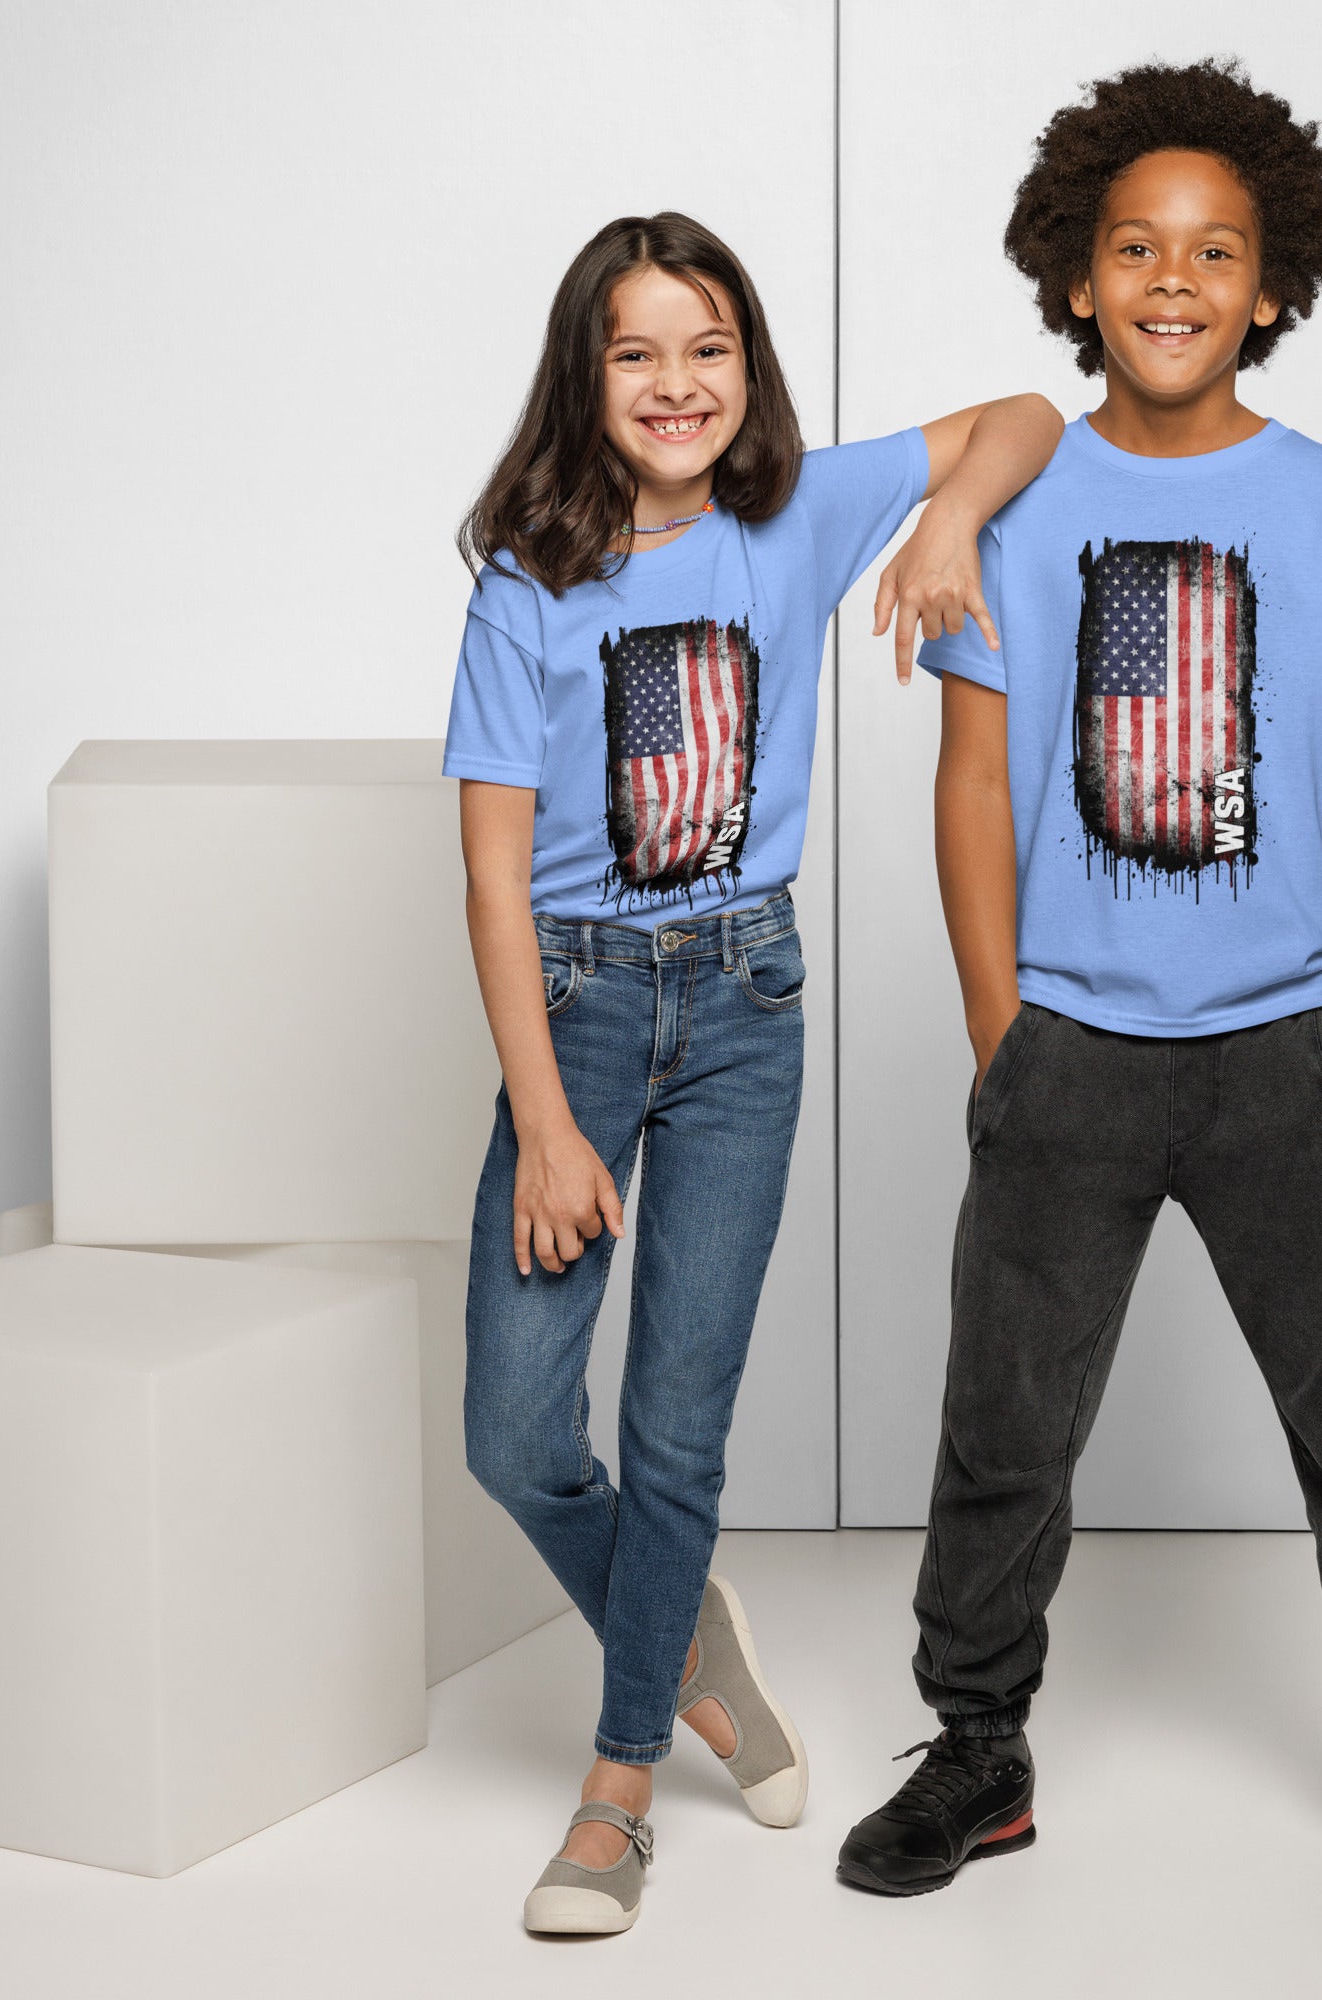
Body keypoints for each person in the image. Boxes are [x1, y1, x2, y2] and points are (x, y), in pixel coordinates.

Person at [836, 62, 1322, 1926]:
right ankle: (978, 1747)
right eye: (1136, 249)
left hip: (1282, 1046)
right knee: (1005, 1423)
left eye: (1217, 251)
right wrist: (1001, 1025)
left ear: (1273, 285)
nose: (1175, 278)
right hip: (1073, 1052)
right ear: (1076, 279)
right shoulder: (1015, 500)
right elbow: (974, 779)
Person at [446, 210, 1061, 1937]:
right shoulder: (530, 576)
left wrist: (944, 515)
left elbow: (1027, 417)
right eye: (636, 351)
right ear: (587, 372)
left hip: (741, 1006)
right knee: (513, 1424)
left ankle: (620, 1787)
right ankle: (689, 1626)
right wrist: (550, 1125)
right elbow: (494, 872)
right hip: (569, 1003)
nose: (676, 383)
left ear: (749, 364)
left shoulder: (795, 512)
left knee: (676, 1424)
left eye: (706, 347)